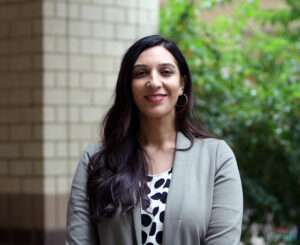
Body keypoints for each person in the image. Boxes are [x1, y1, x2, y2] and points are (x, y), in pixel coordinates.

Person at [66, 35, 243, 245]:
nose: (154, 82)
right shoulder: (96, 160)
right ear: (129, 87)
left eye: (166, 72)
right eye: (141, 73)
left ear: (181, 85)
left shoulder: (216, 157)